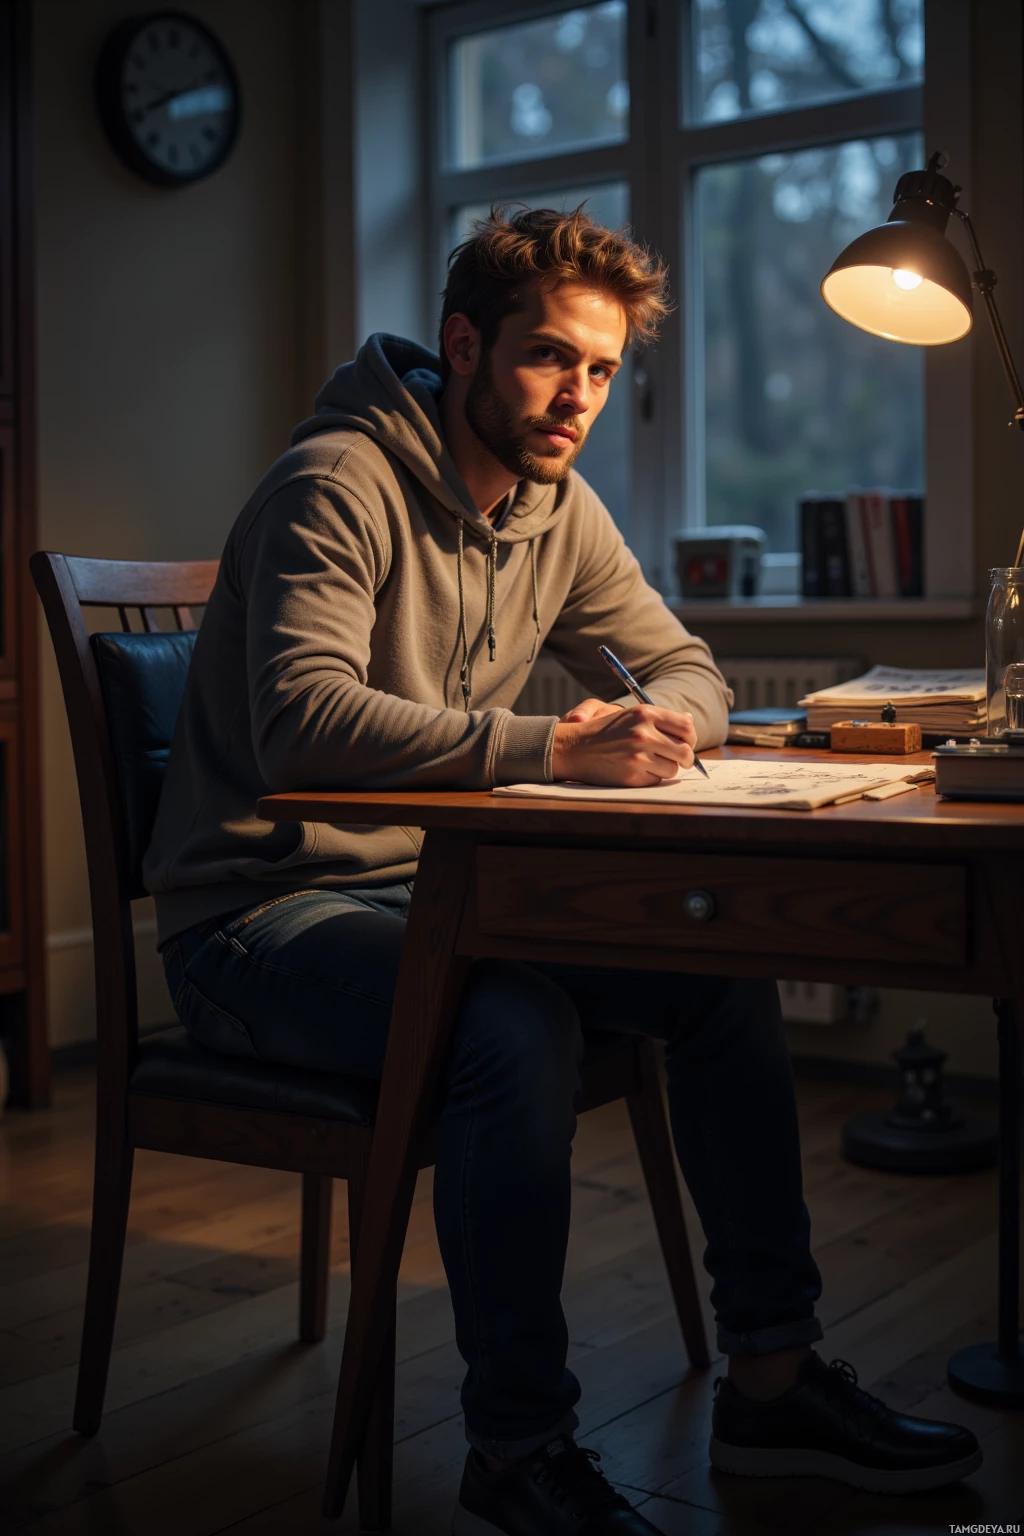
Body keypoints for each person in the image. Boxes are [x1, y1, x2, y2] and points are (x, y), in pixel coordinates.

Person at [144, 206, 981, 1536]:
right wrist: (552, 741)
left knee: (716, 976)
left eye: (600, 371)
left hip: (429, 899)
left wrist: (662, 725)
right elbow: (304, 717)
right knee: (511, 1022)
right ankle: (518, 1448)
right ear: (465, 344)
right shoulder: (337, 482)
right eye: (547, 359)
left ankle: (772, 1379)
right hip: (261, 917)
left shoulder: (554, 503)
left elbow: (689, 667)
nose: (576, 398)